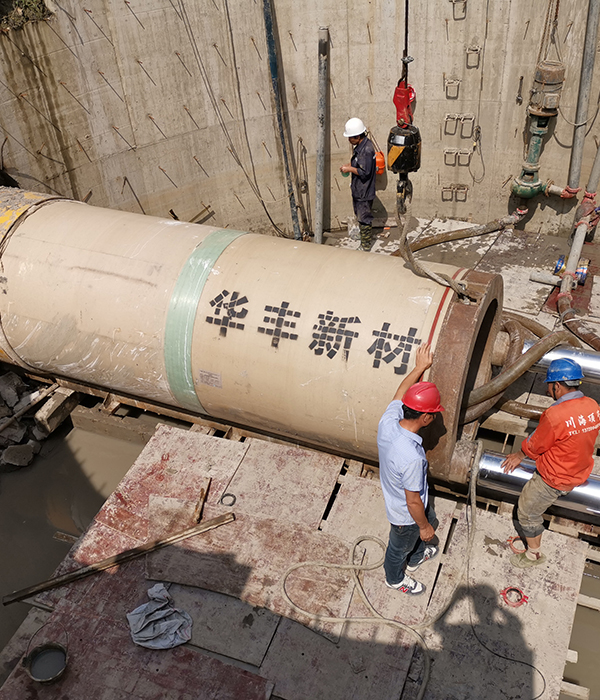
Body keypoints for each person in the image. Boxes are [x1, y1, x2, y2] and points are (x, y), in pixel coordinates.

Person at [502, 358, 600, 568]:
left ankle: (533, 554)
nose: (547, 390)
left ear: (557, 385)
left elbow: (536, 444)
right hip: (580, 469)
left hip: (555, 478)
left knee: (527, 511)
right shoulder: (592, 405)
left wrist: (519, 455)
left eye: (548, 385)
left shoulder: (555, 415)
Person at [377, 342, 444, 595]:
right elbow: (413, 501)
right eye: (434, 414)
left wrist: (419, 368)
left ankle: (416, 559)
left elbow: (399, 393)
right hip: (405, 517)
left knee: (425, 524)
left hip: (400, 503)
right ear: (426, 418)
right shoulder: (412, 457)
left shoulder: (388, 423)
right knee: (398, 549)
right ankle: (394, 579)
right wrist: (424, 527)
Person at [340, 117, 376, 252]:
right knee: (360, 215)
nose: (349, 140)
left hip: (364, 192)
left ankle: (365, 245)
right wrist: (349, 165)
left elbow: (365, 172)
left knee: (364, 218)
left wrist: (349, 169)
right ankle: (364, 237)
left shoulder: (366, 150)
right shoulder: (362, 146)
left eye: (350, 137)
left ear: (358, 136)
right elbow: (359, 163)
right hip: (359, 189)